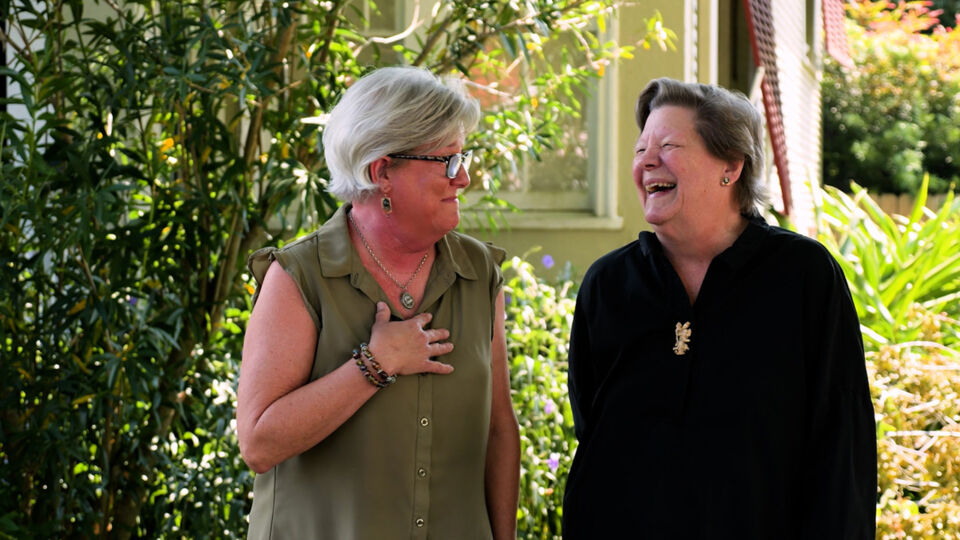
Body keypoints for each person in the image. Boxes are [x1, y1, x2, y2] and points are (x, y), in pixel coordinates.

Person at [561, 78, 876, 538]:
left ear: (730, 165)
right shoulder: (608, 284)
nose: (647, 161)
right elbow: (594, 432)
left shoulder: (804, 276)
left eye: (668, 145)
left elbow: (841, 446)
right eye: (640, 149)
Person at [237, 66, 520, 539]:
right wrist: (375, 363)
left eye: (463, 156)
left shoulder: (478, 272)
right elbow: (259, 444)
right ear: (381, 171)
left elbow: (498, 430)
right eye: (447, 161)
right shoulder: (298, 277)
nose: (464, 177)